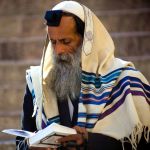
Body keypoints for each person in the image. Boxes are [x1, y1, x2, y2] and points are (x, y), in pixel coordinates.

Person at [16, 1, 150, 150]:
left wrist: (89, 141)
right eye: (53, 42)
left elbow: (142, 141)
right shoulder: (38, 82)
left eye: (66, 41)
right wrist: (29, 147)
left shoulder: (125, 79)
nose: (58, 50)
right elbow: (21, 141)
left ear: (87, 40)